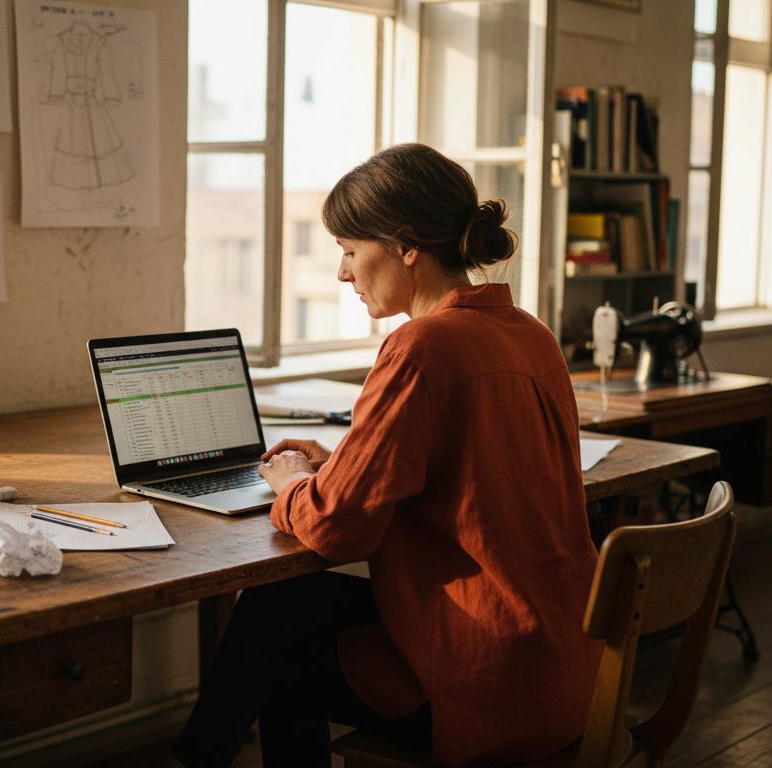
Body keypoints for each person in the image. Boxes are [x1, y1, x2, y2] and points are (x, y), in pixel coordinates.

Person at [170, 143, 602, 767]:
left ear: (405, 247)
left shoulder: (419, 347)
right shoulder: (529, 334)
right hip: (564, 661)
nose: (342, 273)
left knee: (275, 650)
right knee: (282, 605)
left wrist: (293, 481)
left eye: (349, 252)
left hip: (485, 681)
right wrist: (347, 460)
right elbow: (465, 463)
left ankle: (192, 761)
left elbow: (336, 530)